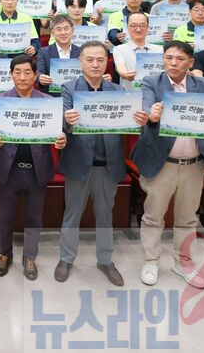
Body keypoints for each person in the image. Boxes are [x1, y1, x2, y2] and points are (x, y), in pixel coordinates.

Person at [133, 41, 204, 287]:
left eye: (180, 59)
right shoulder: (152, 82)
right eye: (168, 58)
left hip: (194, 164)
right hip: (161, 162)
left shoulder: (203, 85)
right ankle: (151, 260)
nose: (173, 63)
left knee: (187, 218)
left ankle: (183, 262)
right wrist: (152, 115)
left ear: (191, 63)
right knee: (153, 216)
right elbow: (146, 108)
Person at [55, 42, 149, 285]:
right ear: (80, 62)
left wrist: (140, 121)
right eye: (90, 59)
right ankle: (66, 259)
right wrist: (66, 120)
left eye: (100, 60)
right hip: (78, 164)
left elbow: (133, 125)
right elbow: (60, 124)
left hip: (108, 165)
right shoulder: (68, 89)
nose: (95, 64)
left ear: (107, 62)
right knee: (72, 214)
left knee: (105, 215)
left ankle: (105, 260)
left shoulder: (118, 91)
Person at [0, 54, 67, 280]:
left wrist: (62, 140)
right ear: (11, 75)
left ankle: (30, 256)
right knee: (6, 217)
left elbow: (59, 132)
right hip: (8, 168)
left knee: (34, 217)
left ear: (35, 75)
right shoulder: (0, 100)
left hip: (37, 169)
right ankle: (5, 254)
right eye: (17, 72)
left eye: (27, 72)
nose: (22, 77)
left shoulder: (48, 102)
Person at [112, 12, 164, 91]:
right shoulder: (119, 49)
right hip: (131, 95)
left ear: (148, 27)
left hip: (155, 95)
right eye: (134, 25)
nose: (139, 29)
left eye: (142, 25)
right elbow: (120, 66)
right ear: (127, 27)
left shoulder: (160, 50)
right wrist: (125, 74)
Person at [36, 14, 81, 94]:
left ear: (72, 30)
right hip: (52, 97)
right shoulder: (44, 52)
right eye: (58, 29)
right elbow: (39, 73)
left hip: (76, 95)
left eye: (66, 29)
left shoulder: (81, 52)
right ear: (52, 32)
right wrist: (40, 78)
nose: (63, 33)